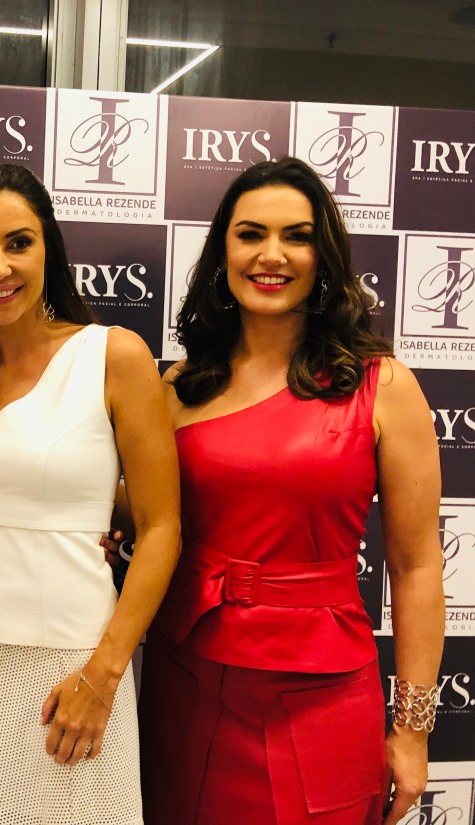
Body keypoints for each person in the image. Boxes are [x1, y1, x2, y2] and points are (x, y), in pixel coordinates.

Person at [138, 157, 445, 825]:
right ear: (223, 251)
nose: (271, 255)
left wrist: (413, 730)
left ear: (323, 254)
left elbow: (417, 566)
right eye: (251, 234)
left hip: (320, 697)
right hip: (184, 681)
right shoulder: (180, 386)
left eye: (296, 236)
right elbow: (145, 525)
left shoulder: (384, 385)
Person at [0, 163, 181, 825]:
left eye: (18, 243)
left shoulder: (114, 356)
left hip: (72, 667)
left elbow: (162, 527)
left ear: (49, 249)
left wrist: (103, 673)